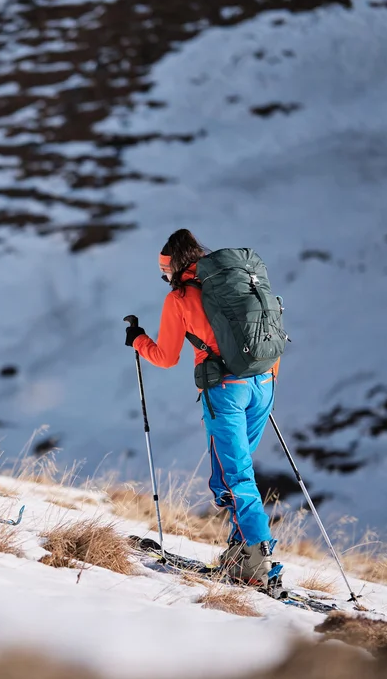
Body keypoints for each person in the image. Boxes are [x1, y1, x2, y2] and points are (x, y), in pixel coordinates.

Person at [124, 229, 279, 585]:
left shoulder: (180, 297)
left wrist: (139, 341)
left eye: (164, 273)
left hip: (226, 390)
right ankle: (243, 554)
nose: (164, 279)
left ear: (173, 269)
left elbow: (166, 357)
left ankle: (256, 563)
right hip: (265, 381)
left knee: (232, 477)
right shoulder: (237, 279)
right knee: (238, 470)